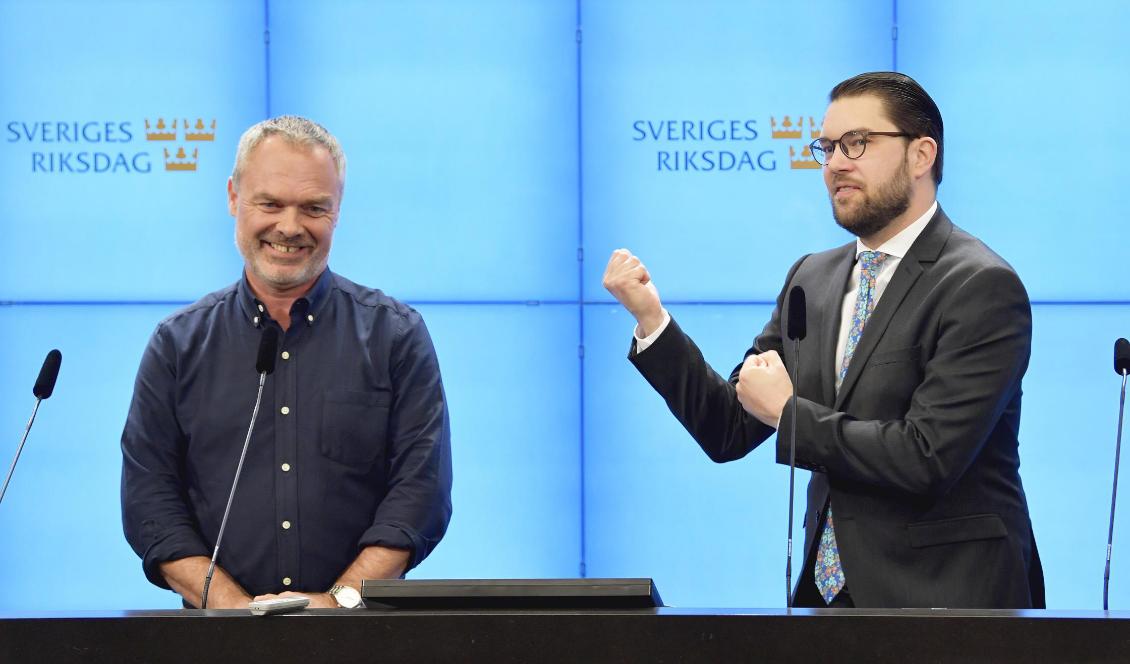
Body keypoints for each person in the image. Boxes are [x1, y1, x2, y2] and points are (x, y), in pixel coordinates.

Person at [602, 72, 1044, 608]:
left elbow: (926, 458)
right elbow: (728, 427)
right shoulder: (812, 279)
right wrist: (652, 321)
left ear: (921, 154)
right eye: (828, 147)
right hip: (827, 603)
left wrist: (788, 414)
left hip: (948, 602)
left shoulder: (978, 285)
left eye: (857, 142)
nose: (835, 163)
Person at [121, 116, 452, 609]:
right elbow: (151, 503)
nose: (290, 227)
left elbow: (418, 497)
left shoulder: (396, 337)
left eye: (314, 207)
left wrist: (336, 603)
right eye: (270, 203)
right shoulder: (177, 345)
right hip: (216, 644)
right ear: (234, 197)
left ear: (337, 211)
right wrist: (232, 610)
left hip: (362, 638)